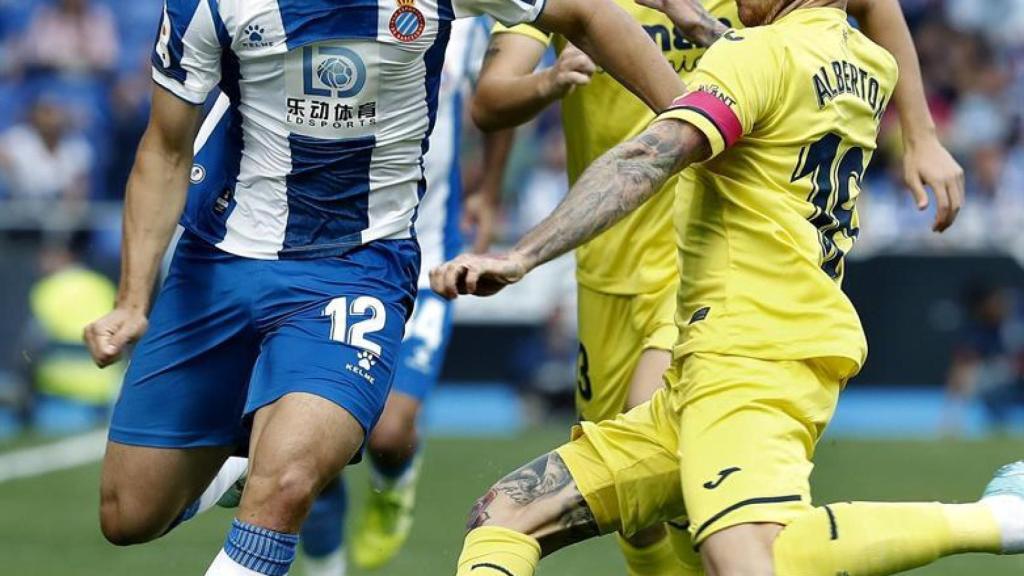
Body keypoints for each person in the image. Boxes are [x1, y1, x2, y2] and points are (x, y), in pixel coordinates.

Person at [82, 1, 684, 575]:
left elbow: (587, 11)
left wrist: (693, 122)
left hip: (355, 266)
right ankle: (246, 458)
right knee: (129, 515)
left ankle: (297, 466)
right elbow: (165, 147)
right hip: (218, 263)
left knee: (291, 483)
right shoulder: (214, 3)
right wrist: (132, 301)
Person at [432, 1, 1024, 575]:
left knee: (750, 559)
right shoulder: (866, 64)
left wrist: (522, 255)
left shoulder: (759, 54)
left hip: (749, 361)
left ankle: (1002, 519)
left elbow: (647, 155)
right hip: (711, 368)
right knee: (504, 516)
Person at [297, 17, 512, 575]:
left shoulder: (467, 19)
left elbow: (496, 101)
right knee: (308, 433)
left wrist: (488, 191)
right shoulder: (331, 13)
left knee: (389, 431)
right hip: (334, 253)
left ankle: (394, 480)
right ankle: (328, 565)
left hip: (427, 256)